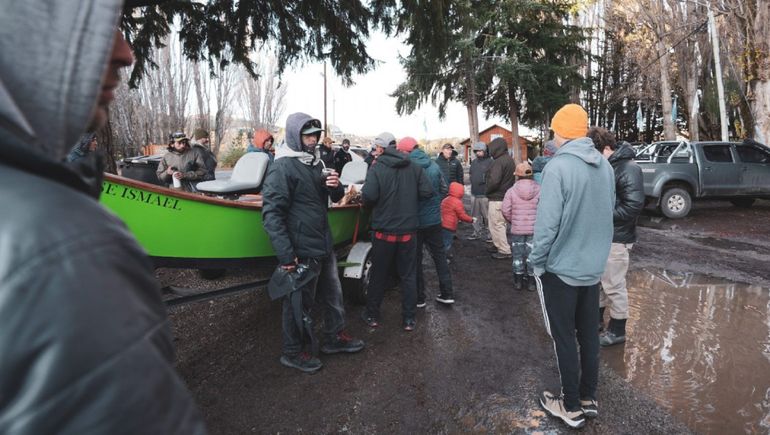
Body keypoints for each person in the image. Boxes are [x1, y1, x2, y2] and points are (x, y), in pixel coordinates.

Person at [0, 1, 207, 433]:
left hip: (194, 194)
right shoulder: (63, 244)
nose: (126, 53)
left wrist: (186, 173)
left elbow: (202, 173)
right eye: (87, 26)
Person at [530, 104, 615, 429]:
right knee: (589, 334)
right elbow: (607, 212)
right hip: (592, 267)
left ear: (560, 132)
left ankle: (570, 406)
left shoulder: (558, 167)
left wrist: (537, 261)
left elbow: (547, 225)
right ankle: (588, 397)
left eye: (554, 130)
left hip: (562, 269)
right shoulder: (604, 167)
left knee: (564, 336)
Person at [262, 113, 365, 373]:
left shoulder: (316, 163)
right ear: (295, 135)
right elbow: (272, 214)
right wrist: (286, 256)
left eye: (315, 136)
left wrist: (335, 187)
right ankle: (293, 352)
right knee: (298, 302)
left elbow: (335, 195)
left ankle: (333, 337)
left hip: (323, 242)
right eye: (307, 136)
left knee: (333, 294)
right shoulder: (283, 167)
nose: (312, 140)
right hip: (301, 248)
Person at [361, 132, 434, 331]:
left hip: (383, 232)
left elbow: (368, 196)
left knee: (379, 274)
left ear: (382, 149)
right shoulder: (415, 167)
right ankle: (409, 319)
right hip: (409, 231)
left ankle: (372, 315)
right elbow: (428, 192)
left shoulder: (377, 168)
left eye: (376, 148)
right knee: (408, 276)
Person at [587, 127, 644, 347]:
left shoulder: (628, 168)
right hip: (605, 236)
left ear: (606, 148)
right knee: (600, 282)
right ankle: (596, 322)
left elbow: (633, 207)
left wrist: (599, 214)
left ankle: (618, 330)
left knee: (614, 285)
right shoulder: (609, 166)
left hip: (617, 238)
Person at [404, 137, 454, 306]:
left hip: (415, 221)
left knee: (416, 259)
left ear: (407, 152)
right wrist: (435, 203)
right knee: (439, 256)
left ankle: (419, 298)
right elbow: (445, 189)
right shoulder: (434, 165)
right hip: (433, 220)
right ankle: (447, 293)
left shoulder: (407, 167)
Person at [501, 162, 540, 291]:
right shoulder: (540, 189)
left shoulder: (511, 191)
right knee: (532, 255)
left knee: (517, 255)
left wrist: (514, 221)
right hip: (534, 229)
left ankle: (518, 281)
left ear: (517, 176)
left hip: (517, 229)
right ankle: (531, 283)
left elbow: (505, 209)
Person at [485, 137, 515, 259]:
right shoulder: (509, 160)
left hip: (497, 198)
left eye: (491, 148)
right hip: (505, 196)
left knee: (497, 224)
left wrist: (487, 190)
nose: (490, 151)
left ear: (496, 148)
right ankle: (497, 244)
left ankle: (504, 249)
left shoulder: (499, 162)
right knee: (497, 223)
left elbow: (494, 181)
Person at [441, 182, 474, 256]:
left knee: (443, 241)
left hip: (442, 224)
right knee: (447, 243)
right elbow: (462, 216)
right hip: (450, 226)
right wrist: (471, 219)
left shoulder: (445, 199)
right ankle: (443, 258)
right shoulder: (457, 202)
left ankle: (443, 255)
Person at [468, 141, 492, 241]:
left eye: (480, 151)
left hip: (485, 194)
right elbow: (470, 174)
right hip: (474, 193)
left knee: (487, 216)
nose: (478, 153)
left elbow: (493, 178)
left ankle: (490, 234)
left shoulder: (491, 162)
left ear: (485, 151)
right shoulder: (474, 162)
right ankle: (476, 232)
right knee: (475, 215)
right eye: (476, 151)